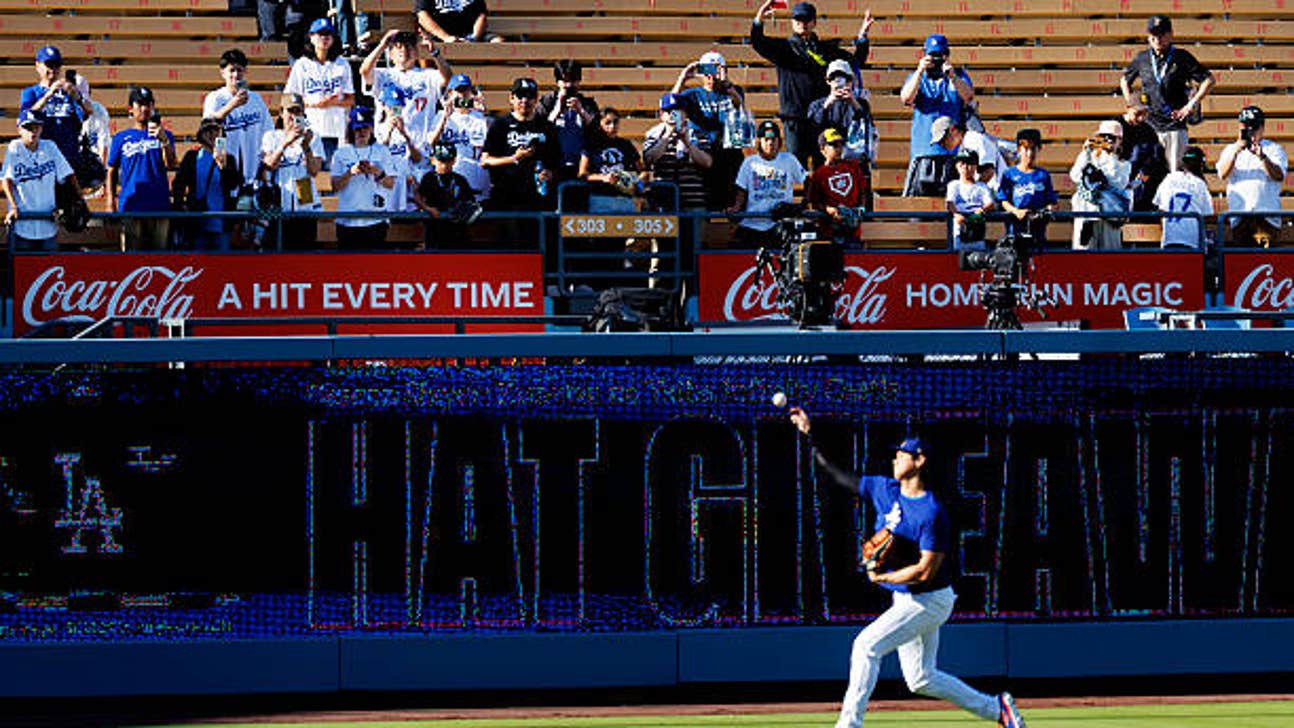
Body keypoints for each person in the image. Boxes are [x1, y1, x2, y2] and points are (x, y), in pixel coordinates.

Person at [786, 409, 1030, 728]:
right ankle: (997, 709)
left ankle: (849, 725)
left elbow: (925, 571)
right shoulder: (883, 489)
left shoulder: (931, 513)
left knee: (865, 646)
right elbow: (837, 473)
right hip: (906, 600)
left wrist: (882, 576)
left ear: (919, 461)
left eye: (902, 455)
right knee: (920, 678)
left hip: (929, 600)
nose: (895, 460)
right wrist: (810, 434)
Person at [751, 1, 873, 165]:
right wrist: (759, 18)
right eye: (798, 20)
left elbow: (856, 61)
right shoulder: (784, 48)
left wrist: (862, 37)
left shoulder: (826, 50)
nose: (803, 24)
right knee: (795, 166)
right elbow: (758, 42)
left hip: (822, 117)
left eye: (807, 19)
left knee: (822, 166)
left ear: (814, 22)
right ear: (792, 22)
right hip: (795, 118)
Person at [1121, 15, 1215, 173]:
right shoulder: (1142, 58)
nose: (1157, 39)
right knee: (1148, 175)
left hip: (1175, 127)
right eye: (1153, 34)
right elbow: (1124, 80)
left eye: (1161, 34)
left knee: (1174, 175)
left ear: (1170, 34)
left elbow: (1209, 80)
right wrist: (1133, 106)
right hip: (1149, 126)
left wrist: (1190, 105)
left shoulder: (1181, 57)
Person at [480, 77, 561, 243]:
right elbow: (485, 161)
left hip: (537, 199)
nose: (525, 100)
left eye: (530, 96)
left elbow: (556, 161)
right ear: (511, 98)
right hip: (507, 197)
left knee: (537, 246)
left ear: (536, 99)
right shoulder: (500, 125)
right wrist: (513, 158)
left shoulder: (546, 127)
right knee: (510, 246)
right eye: (520, 96)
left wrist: (549, 173)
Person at [643, 93, 712, 282]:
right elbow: (649, 159)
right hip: (664, 205)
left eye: (678, 111)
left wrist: (687, 142)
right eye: (669, 112)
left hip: (693, 204)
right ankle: (657, 302)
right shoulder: (653, 134)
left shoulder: (697, 133)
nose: (674, 115)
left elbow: (707, 162)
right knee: (662, 258)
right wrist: (667, 137)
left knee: (692, 257)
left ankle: (690, 302)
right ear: (662, 114)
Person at [673, 51, 750, 210]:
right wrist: (683, 78)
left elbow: (738, 103)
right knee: (709, 199)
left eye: (715, 70)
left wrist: (726, 82)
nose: (711, 76)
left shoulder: (732, 90)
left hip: (729, 151)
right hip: (703, 151)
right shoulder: (693, 94)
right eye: (707, 71)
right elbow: (671, 103)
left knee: (731, 194)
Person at [900, 34, 974, 197]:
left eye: (939, 55)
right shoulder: (917, 77)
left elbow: (968, 96)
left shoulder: (958, 75)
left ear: (947, 54)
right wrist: (920, 71)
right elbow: (906, 98)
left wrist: (952, 76)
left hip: (952, 153)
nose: (936, 59)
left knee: (951, 205)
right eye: (932, 55)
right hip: (924, 151)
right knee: (918, 205)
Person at [106, 86, 177, 250]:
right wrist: (111, 201)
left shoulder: (166, 135)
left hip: (159, 204)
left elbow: (171, 165)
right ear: (130, 109)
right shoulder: (120, 138)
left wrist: (164, 140)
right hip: (131, 204)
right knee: (132, 259)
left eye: (148, 104)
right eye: (140, 105)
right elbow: (111, 170)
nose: (144, 109)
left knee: (160, 257)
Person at [360, 29, 452, 153]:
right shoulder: (383, 75)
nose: (404, 50)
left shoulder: (429, 75)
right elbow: (364, 71)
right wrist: (382, 45)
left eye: (409, 46)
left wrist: (434, 52)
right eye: (398, 46)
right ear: (390, 54)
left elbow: (447, 78)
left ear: (417, 52)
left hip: (421, 145)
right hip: (390, 143)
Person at [2, 110, 78, 251]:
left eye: (36, 127)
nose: (33, 131)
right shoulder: (15, 147)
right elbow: (6, 180)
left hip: (48, 222)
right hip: (22, 223)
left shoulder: (49, 146)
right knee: (22, 269)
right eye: (28, 127)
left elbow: (68, 174)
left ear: (42, 128)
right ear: (19, 129)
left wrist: (77, 198)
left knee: (47, 266)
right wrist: (13, 207)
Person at [284, 17, 355, 165]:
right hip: (311, 129)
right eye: (320, 34)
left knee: (330, 178)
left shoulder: (342, 64)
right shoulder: (302, 65)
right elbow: (289, 98)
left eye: (328, 34)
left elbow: (351, 99)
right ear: (311, 37)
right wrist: (315, 103)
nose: (324, 38)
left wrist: (330, 102)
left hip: (336, 130)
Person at [259, 93, 325, 249]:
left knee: (304, 254)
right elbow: (268, 165)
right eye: (290, 111)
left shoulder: (313, 137)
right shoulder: (272, 136)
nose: (294, 116)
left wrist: (306, 147)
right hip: (278, 202)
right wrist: (285, 143)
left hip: (305, 200)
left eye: (298, 111)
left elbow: (314, 171)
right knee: (276, 252)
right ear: (281, 113)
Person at [727, 120, 807, 247]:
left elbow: (807, 180)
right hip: (753, 222)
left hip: (779, 223)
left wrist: (804, 203)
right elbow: (741, 189)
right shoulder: (750, 163)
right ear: (759, 141)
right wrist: (737, 206)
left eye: (774, 139)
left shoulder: (789, 160)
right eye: (766, 139)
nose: (770, 143)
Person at [20, 46, 91, 188]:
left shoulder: (68, 93)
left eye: (57, 65)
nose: (53, 69)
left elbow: (88, 111)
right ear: (38, 66)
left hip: (69, 158)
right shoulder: (31, 92)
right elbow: (26, 117)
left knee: (69, 204)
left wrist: (77, 97)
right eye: (49, 64)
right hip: (42, 160)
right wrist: (48, 94)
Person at [1217, 105, 1288, 247]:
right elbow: (1222, 174)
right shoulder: (1231, 149)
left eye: (1254, 128)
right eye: (1246, 128)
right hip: (1240, 216)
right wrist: (1237, 151)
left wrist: (1262, 157)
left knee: (1264, 259)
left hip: (1266, 216)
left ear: (1262, 127)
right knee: (1242, 263)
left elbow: (1278, 175)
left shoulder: (1273, 149)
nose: (1251, 132)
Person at [203, 49, 275, 187]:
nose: (236, 75)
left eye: (240, 70)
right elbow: (207, 127)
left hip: (254, 168)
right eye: (232, 70)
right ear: (222, 73)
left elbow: (268, 131)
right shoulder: (215, 98)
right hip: (225, 169)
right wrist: (232, 105)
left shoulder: (256, 99)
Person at [171, 117, 243, 251]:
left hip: (222, 222)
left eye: (216, 131)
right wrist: (182, 208)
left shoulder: (230, 159)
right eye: (208, 131)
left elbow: (234, 184)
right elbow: (178, 184)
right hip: (197, 222)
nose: (212, 135)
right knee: (196, 264)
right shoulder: (192, 157)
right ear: (201, 134)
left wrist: (223, 167)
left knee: (221, 265)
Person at [330, 106, 396, 249]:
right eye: (358, 129)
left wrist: (376, 171)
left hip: (375, 219)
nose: (362, 132)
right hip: (348, 220)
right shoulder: (341, 153)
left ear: (371, 128)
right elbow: (334, 186)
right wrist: (350, 173)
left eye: (365, 128)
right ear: (352, 129)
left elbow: (391, 183)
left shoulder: (382, 151)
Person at [426, 73, 491, 205]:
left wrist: (485, 114)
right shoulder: (440, 116)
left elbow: (492, 144)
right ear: (450, 93)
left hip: (476, 176)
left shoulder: (480, 117)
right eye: (458, 91)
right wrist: (445, 117)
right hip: (450, 176)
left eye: (465, 91)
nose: (462, 95)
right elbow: (431, 142)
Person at [1069, 120, 1131, 250]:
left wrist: (1111, 155)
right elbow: (1075, 176)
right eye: (1105, 136)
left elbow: (1118, 183)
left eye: (1113, 138)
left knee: (1110, 262)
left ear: (1120, 140)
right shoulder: (1088, 156)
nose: (1109, 140)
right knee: (1084, 261)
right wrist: (1086, 152)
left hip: (1110, 218)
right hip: (1087, 215)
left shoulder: (1124, 164)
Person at [536, 60, 600, 183]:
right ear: (557, 82)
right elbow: (539, 130)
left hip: (581, 167)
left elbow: (597, 130)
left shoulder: (588, 104)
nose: (569, 85)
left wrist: (581, 111)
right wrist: (557, 110)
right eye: (565, 81)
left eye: (573, 81)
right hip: (552, 167)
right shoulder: (547, 102)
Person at [807, 59, 878, 169]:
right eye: (834, 79)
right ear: (828, 81)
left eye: (844, 79)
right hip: (825, 163)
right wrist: (828, 104)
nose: (839, 83)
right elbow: (814, 126)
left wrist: (853, 103)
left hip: (854, 162)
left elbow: (867, 127)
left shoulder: (861, 103)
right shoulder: (817, 104)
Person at [805, 127, 870, 245]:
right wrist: (829, 210)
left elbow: (863, 191)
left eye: (841, 145)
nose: (839, 149)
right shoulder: (818, 175)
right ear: (823, 149)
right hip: (830, 231)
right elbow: (813, 202)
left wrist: (861, 208)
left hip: (853, 230)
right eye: (834, 145)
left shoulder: (853, 167)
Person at [996, 128, 1056, 244]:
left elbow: (1051, 201)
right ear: (1019, 149)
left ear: (1039, 149)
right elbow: (1003, 200)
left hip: (1037, 233)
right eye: (1026, 148)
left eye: (1033, 149)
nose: (1030, 153)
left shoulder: (1043, 175)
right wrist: (1016, 211)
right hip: (1015, 232)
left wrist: (1047, 210)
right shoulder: (1009, 174)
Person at [579, 108, 643, 215]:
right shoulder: (591, 145)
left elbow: (642, 170)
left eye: (615, 122)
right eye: (608, 122)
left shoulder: (625, 144)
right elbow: (582, 174)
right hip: (600, 198)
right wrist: (603, 177)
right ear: (600, 124)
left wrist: (638, 181)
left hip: (625, 199)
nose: (612, 126)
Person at [415, 142, 476, 249]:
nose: (444, 165)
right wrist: (428, 208)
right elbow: (418, 197)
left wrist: (464, 209)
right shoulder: (428, 178)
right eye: (441, 161)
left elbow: (471, 202)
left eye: (449, 161)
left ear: (454, 160)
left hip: (457, 232)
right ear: (433, 160)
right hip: (434, 230)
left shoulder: (460, 180)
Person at [1153, 145, 1213, 249]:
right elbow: (1207, 215)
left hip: (1169, 239)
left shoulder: (1169, 178)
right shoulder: (1200, 184)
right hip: (1191, 241)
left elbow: (1160, 208)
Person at [1117, 101, 1168, 212]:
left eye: (1145, 114)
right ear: (1128, 109)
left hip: (1140, 176)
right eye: (1138, 113)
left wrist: (1145, 173)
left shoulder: (1147, 130)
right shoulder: (1114, 126)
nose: (1141, 118)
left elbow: (1156, 157)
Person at [930, 116, 1002, 190]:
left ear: (952, 130)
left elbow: (988, 172)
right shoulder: (963, 145)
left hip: (996, 192)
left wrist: (972, 192)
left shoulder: (974, 139)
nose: (942, 145)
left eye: (943, 139)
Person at [944, 148, 994, 250]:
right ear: (957, 166)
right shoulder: (954, 185)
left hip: (977, 227)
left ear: (976, 166)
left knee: (979, 254)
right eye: (962, 163)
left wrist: (982, 210)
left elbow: (990, 203)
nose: (966, 167)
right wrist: (956, 214)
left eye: (970, 163)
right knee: (959, 256)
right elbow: (950, 202)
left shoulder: (982, 186)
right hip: (960, 228)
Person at [415, 0, 502, 43]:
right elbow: (422, 17)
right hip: (438, 36)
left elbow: (481, 16)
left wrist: (473, 38)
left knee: (498, 42)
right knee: (425, 45)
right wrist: (446, 37)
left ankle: (489, 76)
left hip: (469, 34)